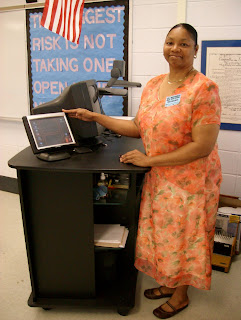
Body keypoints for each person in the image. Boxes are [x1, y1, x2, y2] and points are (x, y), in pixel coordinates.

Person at [63, 23, 222, 319]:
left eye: (184, 44)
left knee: (186, 238)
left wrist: (149, 160)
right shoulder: (153, 84)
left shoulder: (204, 89)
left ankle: (181, 294)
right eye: (170, 42)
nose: (175, 49)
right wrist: (95, 116)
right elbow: (138, 127)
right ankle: (168, 282)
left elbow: (203, 146)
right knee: (165, 236)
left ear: (195, 50)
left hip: (191, 182)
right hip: (161, 177)